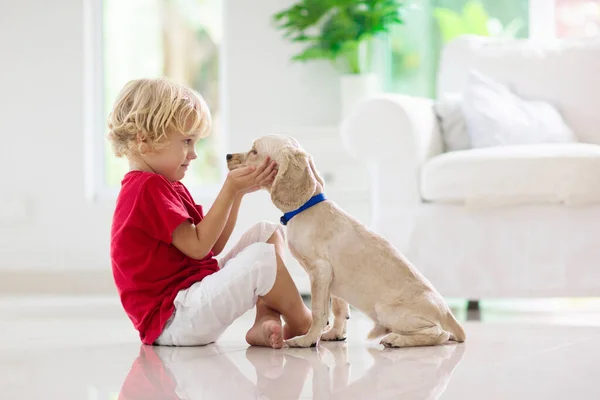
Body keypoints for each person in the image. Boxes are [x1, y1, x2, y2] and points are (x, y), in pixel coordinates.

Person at [108, 77, 311, 348]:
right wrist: (229, 188)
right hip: (175, 319)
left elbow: (212, 246)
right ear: (144, 141)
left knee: (268, 232)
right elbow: (199, 247)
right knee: (262, 258)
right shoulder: (146, 188)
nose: (193, 154)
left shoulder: (166, 185)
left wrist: (237, 193)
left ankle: (265, 318)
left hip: (191, 303)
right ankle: (303, 324)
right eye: (186, 141)